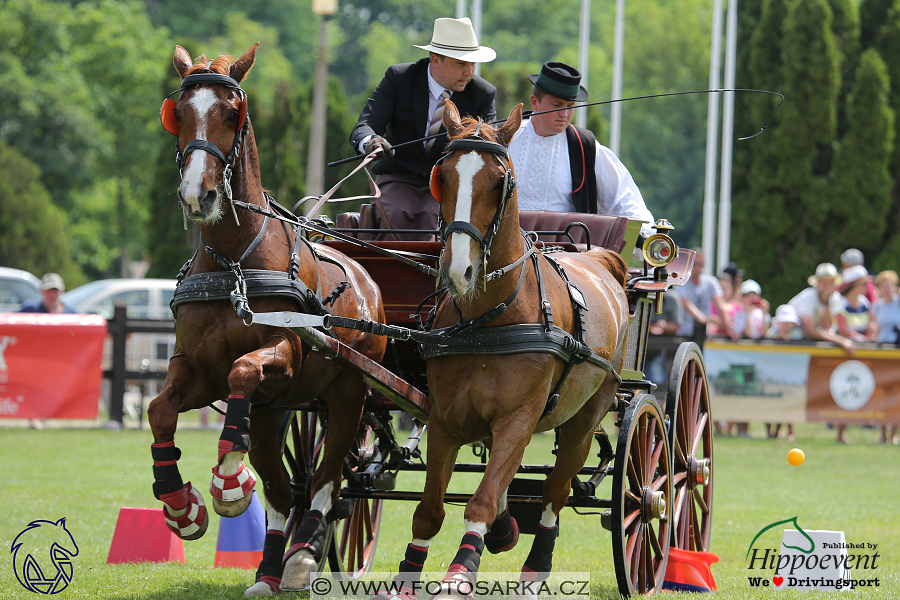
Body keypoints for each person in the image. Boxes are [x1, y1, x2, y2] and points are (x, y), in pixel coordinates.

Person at [349, 17, 497, 240]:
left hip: (447, 181)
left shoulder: (482, 93)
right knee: (395, 216)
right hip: (397, 178)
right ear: (436, 60)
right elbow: (365, 125)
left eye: (472, 64)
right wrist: (371, 141)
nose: (469, 72)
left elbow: (488, 145)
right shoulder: (399, 78)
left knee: (432, 221)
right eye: (461, 64)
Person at [506, 62, 655, 236]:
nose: (565, 114)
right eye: (557, 105)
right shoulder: (505, 138)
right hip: (503, 254)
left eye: (570, 106)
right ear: (535, 102)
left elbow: (623, 199)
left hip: (562, 255)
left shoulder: (585, 147)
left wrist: (647, 237)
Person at [787, 263, 855, 354]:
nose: (827, 287)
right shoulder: (808, 297)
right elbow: (810, 331)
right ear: (817, 283)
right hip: (790, 340)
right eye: (824, 283)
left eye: (830, 283)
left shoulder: (835, 298)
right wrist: (841, 340)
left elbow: (826, 326)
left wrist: (827, 302)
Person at [675, 249, 737, 340]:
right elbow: (687, 305)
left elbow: (720, 305)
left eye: (699, 264)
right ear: (688, 265)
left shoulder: (710, 282)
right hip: (683, 334)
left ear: (704, 265)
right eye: (694, 264)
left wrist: (729, 328)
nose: (696, 267)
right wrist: (704, 319)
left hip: (704, 334)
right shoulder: (681, 282)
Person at [869, 270, 900, 445]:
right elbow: (872, 327)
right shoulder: (877, 306)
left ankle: (893, 433)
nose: (888, 288)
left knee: (896, 395)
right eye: (884, 285)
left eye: (891, 285)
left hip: (896, 353)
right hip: (881, 352)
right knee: (882, 394)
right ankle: (882, 432)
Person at [834, 265, 876, 342]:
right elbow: (843, 331)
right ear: (853, 285)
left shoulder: (864, 301)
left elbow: (872, 321)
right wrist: (864, 339)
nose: (867, 286)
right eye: (864, 283)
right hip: (842, 349)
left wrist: (872, 328)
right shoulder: (839, 301)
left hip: (861, 346)